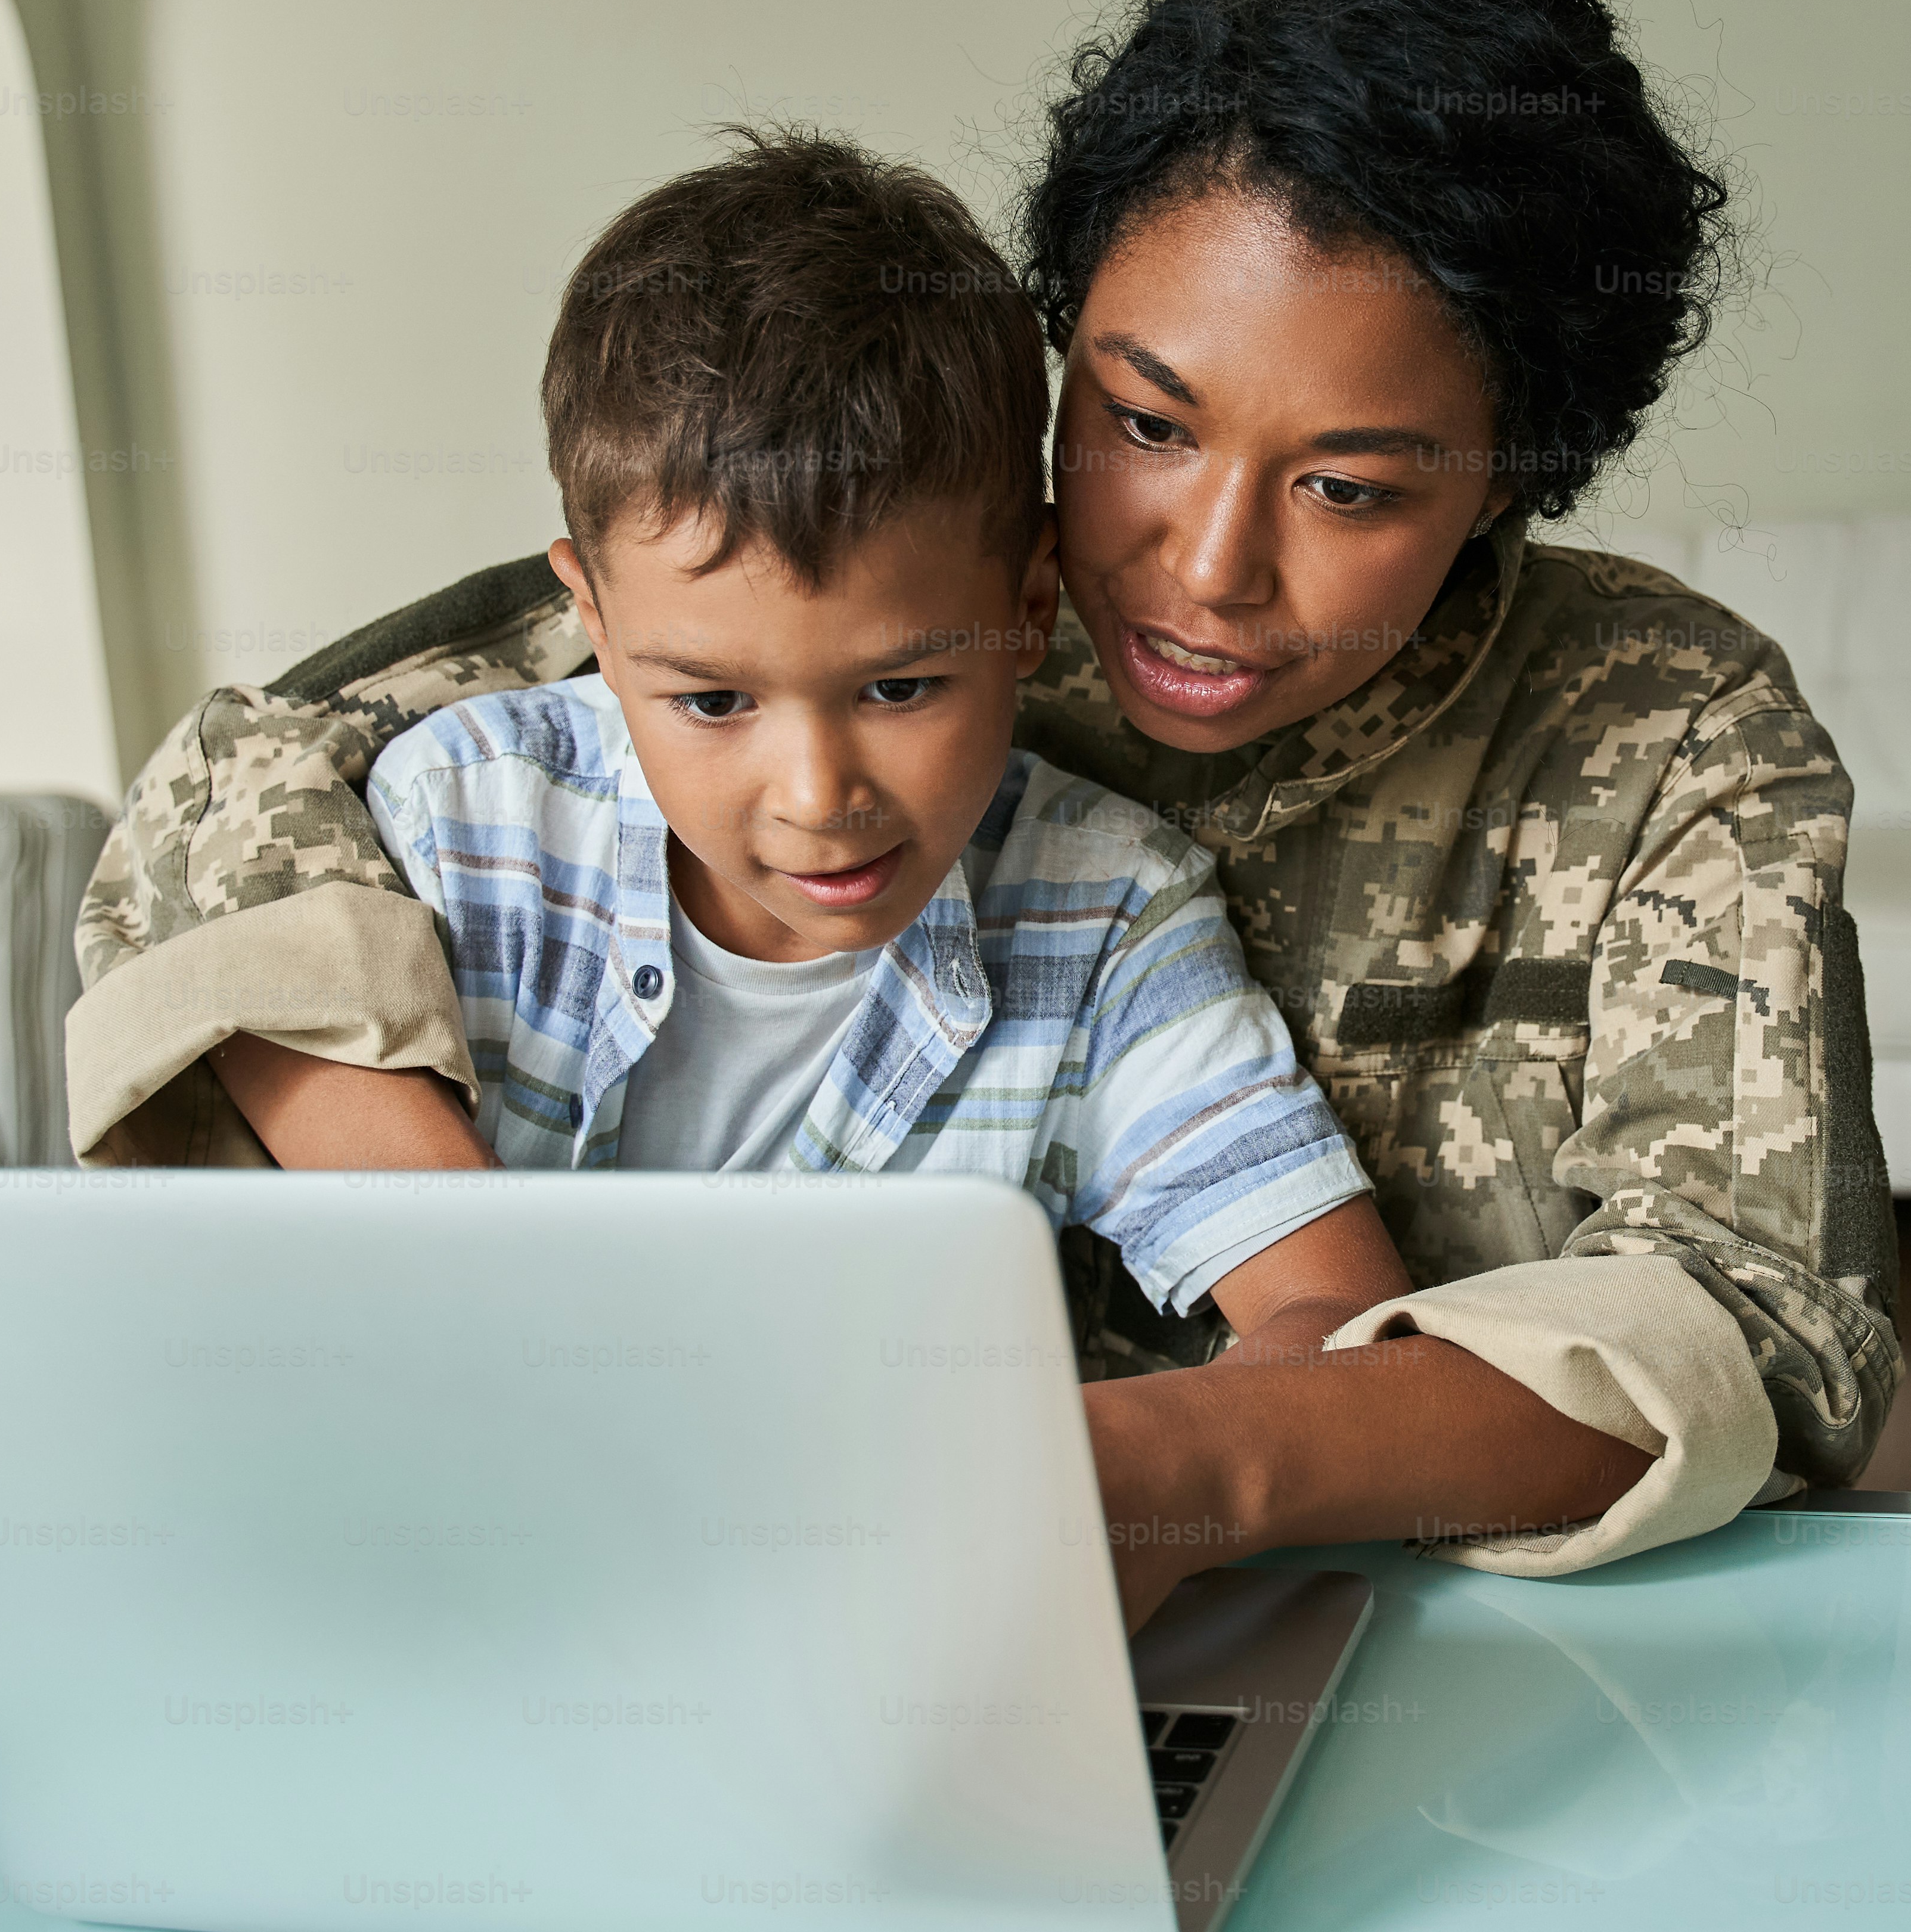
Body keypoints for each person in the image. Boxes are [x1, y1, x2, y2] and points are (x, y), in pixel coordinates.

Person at [68, 0, 1900, 1628]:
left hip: (1380, 1641)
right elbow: (238, 795)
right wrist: (499, 1296)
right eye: (1141, 422)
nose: (1201, 571)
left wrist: (1192, 1470)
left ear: (1516, 471)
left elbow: (1757, 1319)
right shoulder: (871, 578)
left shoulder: (1661, 734)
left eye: (1348, 487)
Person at [362, 134, 1392, 1356]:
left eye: (900, 686)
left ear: (1028, 606)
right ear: (591, 614)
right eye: (711, 701)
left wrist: (1131, 1466)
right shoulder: (459, 829)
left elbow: (1332, 1313)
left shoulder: (1107, 921)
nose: (817, 797)